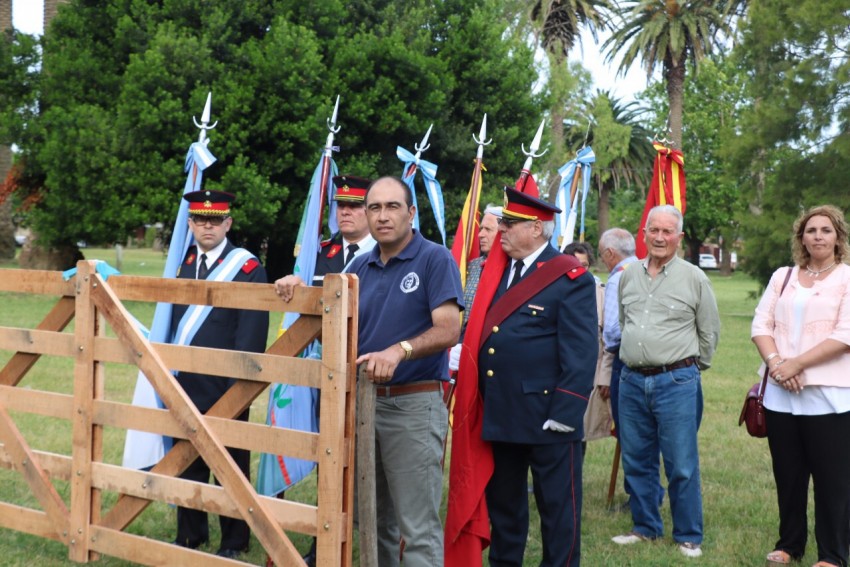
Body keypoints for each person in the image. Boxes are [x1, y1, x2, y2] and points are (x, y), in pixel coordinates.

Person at [479, 187, 598, 566]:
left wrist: (565, 414)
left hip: (548, 417)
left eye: (510, 224)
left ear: (535, 229)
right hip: (503, 412)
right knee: (504, 509)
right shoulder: (496, 273)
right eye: (503, 223)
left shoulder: (569, 277)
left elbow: (581, 353)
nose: (501, 230)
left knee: (558, 512)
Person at [350, 176, 463, 566]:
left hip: (412, 405)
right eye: (374, 208)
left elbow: (449, 329)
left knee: (417, 529)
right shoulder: (359, 266)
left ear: (411, 212)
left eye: (392, 206)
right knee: (372, 519)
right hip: (364, 406)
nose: (383, 216)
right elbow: (328, 315)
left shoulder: (434, 259)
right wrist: (296, 287)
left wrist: (400, 350)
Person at [272, 174, 375, 566]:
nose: (345, 212)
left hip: (369, 374)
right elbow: (308, 297)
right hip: (325, 375)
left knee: (370, 465)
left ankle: (372, 543)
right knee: (328, 458)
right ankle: (324, 547)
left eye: (354, 206)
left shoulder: (386, 251)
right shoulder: (321, 252)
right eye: (341, 206)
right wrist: (294, 281)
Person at [612, 205, 719, 559]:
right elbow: (625, 321)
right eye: (653, 230)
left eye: (667, 231)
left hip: (676, 381)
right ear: (643, 233)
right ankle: (645, 527)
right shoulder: (629, 274)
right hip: (630, 380)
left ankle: (688, 535)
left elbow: (709, 331)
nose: (659, 237)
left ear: (679, 237)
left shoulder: (694, 278)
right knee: (636, 459)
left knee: (681, 463)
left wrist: (689, 369)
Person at [171, 189, 269, 559]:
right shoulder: (181, 264)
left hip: (226, 384)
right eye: (200, 220)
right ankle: (190, 534)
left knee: (230, 467)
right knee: (187, 460)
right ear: (191, 224)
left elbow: (251, 333)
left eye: (214, 220)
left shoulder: (247, 268)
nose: (207, 226)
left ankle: (234, 540)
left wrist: (238, 389)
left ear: (228, 223)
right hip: (185, 379)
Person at [752, 205, 850, 567]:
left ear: (838, 237)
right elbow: (760, 325)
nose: (818, 236)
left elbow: (845, 334)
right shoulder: (783, 277)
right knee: (789, 477)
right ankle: (789, 545)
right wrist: (779, 365)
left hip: (828, 398)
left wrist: (797, 364)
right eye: (811, 230)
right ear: (801, 238)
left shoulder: (847, 278)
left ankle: (832, 555)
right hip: (782, 397)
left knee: (832, 481)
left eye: (826, 230)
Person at [597, 228, 662, 508]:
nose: (603, 261)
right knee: (648, 434)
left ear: (611, 253)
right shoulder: (648, 271)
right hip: (657, 360)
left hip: (626, 362)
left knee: (631, 434)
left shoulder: (618, 278)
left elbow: (612, 331)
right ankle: (649, 493)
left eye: (602, 255)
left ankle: (641, 496)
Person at [563, 241, 614, 444]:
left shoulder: (601, 293)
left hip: (589, 374)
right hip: (559, 371)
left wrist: (605, 376)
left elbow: (609, 337)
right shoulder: (554, 290)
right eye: (574, 264)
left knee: (581, 431)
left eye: (584, 265)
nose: (579, 270)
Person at [462, 205, 502, 328]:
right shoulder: (472, 266)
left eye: (488, 229)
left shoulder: (512, 268)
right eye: (481, 229)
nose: (480, 234)